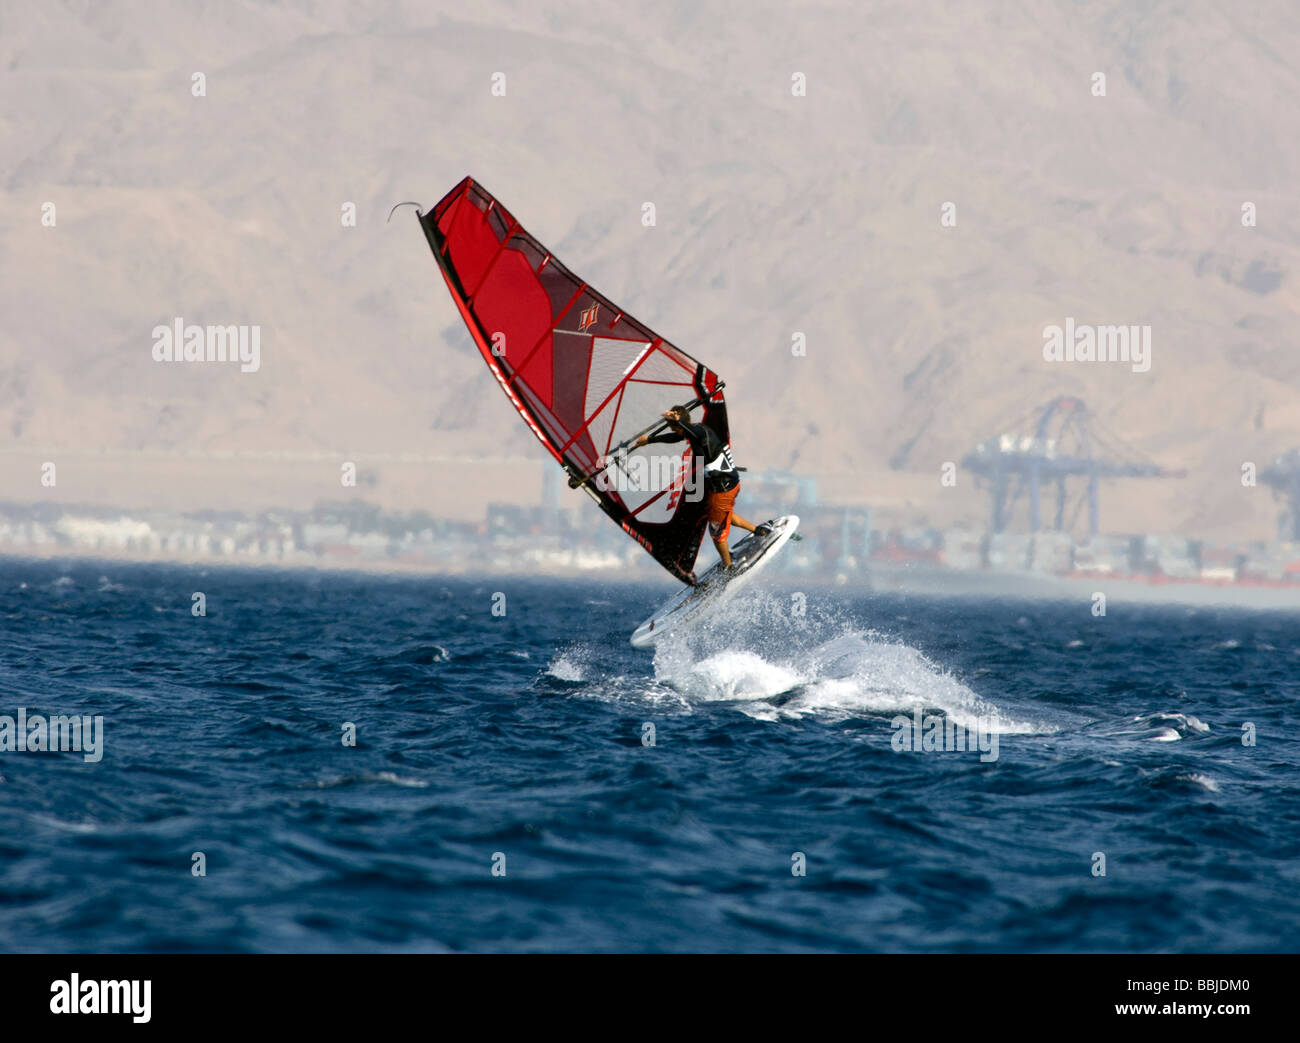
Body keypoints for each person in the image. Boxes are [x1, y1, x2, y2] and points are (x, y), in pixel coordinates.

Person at [635, 406, 771, 581]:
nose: (675, 431)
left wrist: (677, 422)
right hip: (731, 484)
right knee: (723, 516)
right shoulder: (698, 430)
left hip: (722, 489)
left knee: (716, 533)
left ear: (682, 424)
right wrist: (651, 440)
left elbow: (683, 430)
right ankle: (758, 530)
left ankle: (730, 569)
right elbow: (676, 436)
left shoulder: (698, 432)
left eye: (675, 427)